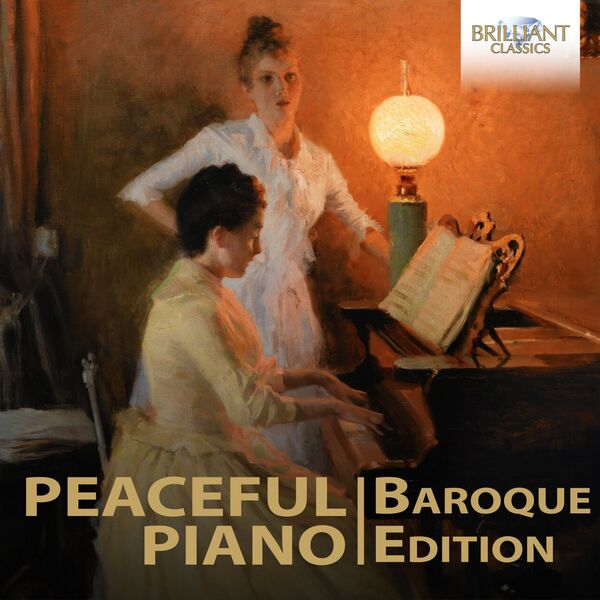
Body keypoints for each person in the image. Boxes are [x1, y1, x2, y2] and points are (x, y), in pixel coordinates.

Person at [97, 164, 410, 600]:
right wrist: (334, 407)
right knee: (330, 548)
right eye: (252, 235)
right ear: (219, 236)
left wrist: (321, 379)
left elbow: (253, 376)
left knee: (337, 529)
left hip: (212, 449)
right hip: (191, 474)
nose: (258, 248)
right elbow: (252, 408)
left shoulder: (207, 287)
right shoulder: (193, 308)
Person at [119, 16, 388, 471]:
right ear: (247, 87)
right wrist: (200, 243)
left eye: (290, 77)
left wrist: (408, 266)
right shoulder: (224, 141)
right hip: (232, 300)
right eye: (267, 79)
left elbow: (361, 224)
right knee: (233, 431)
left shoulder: (318, 161)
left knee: (291, 450)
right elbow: (140, 190)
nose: (281, 89)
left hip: (292, 311)